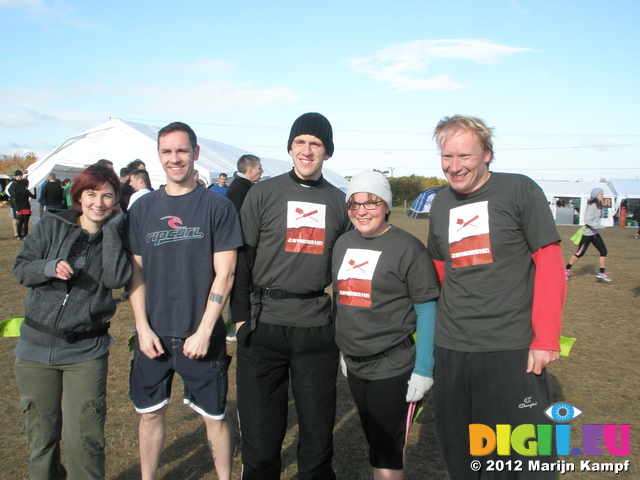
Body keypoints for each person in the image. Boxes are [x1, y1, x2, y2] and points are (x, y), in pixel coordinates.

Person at [427, 115, 565, 479]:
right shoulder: (440, 203)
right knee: (461, 454)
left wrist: (546, 338)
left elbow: (550, 266)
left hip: (510, 348)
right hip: (453, 349)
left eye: (465, 156)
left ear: (487, 154)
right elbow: (440, 272)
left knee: (522, 459)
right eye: (447, 157)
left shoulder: (519, 190)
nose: (454, 167)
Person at [233, 112, 351, 480]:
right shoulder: (262, 193)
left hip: (315, 327)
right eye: (300, 142)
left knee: (317, 432)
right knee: (260, 432)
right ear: (289, 148)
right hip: (263, 324)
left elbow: (349, 267)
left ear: (327, 152)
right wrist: (240, 319)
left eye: (315, 144)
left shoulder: (339, 201)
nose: (307, 150)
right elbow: (243, 258)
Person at [125, 121, 242, 480]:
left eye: (181, 151)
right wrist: (142, 329)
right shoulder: (143, 210)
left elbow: (226, 273)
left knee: (215, 418)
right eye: (166, 151)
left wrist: (206, 330)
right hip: (154, 336)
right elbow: (136, 274)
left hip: (200, 336)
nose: (174, 159)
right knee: (150, 414)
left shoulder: (216, 207)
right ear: (158, 156)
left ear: (195, 153)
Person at [13, 164, 131, 480]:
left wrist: (111, 231)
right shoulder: (51, 226)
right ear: (78, 196)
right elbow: (22, 269)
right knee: (42, 440)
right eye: (91, 194)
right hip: (35, 350)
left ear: (116, 199)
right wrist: (48, 267)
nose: (98, 203)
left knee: (85, 440)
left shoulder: (117, 233)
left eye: (107, 196)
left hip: (86, 353)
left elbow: (117, 277)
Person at [332, 171, 439, 480]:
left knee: (387, 454)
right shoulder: (343, 243)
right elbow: (343, 298)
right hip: (355, 365)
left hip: (393, 367)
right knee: (374, 441)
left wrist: (424, 369)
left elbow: (427, 310)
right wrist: (346, 349)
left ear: (387, 205)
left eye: (371, 202)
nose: (362, 211)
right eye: (354, 204)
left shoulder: (408, 248)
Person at [225, 154, 263, 342]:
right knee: (239, 285)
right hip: (242, 245)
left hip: (243, 244)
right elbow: (242, 219)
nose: (261, 171)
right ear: (249, 170)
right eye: (259, 168)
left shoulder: (242, 186)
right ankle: (234, 328)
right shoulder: (241, 188)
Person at [565, 188, 612, 281]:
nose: (603, 196)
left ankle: (601, 272)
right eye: (601, 194)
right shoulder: (592, 206)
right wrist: (599, 226)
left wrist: (597, 227)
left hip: (595, 233)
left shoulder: (599, 205)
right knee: (580, 253)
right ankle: (566, 269)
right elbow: (587, 220)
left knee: (603, 251)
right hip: (588, 234)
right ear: (596, 195)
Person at [7, 170, 23, 239]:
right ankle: (16, 234)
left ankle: (19, 233)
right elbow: (8, 192)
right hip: (15, 204)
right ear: (18, 176)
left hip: (20, 203)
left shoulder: (21, 183)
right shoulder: (13, 183)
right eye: (20, 175)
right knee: (15, 218)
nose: (21, 177)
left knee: (20, 218)